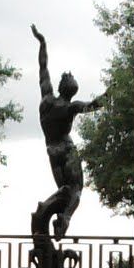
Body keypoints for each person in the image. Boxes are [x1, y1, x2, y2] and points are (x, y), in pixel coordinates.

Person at [31, 24, 104, 239]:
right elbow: (94, 105)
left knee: (64, 189)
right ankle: (66, 218)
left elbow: (43, 67)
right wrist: (113, 91)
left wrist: (42, 43)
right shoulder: (71, 107)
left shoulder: (47, 99)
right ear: (72, 91)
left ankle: (54, 219)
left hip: (52, 150)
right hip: (67, 149)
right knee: (76, 188)